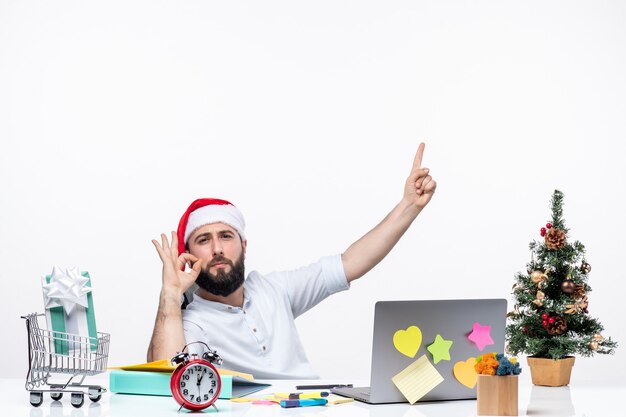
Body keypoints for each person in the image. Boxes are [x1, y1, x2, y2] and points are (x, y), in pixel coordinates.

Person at [147, 143, 436, 378]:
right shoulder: (191, 322)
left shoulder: (274, 290)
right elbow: (166, 378)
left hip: (317, 406)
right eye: (203, 240)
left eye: (225, 236)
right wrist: (170, 294)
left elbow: (351, 263)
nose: (217, 249)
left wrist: (408, 206)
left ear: (244, 246)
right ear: (189, 257)